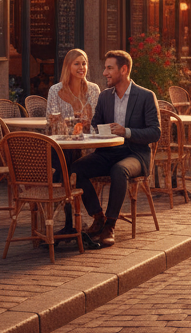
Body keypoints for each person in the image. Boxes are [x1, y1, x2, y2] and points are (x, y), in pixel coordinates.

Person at [68, 50, 160, 248]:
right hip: (107, 152)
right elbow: (96, 124)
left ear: (124, 70)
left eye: (109, 68)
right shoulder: (104, 97)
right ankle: (98, 217)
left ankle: (110, 225)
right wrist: (89, 128)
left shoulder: (145, 96)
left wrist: (125, 131)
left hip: (135, 154)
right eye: (105, 68)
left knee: (119, 170)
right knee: (76, 169)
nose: (104, 73)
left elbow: (155, 132)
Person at [46, 48, 101, 234]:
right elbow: (51, 121)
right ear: (68, 66)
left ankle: (68, 219)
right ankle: (80, 218)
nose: (81, 67)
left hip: (88, 146)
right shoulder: (55, 90)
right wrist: (63, 123)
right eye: (77, 63)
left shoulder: (93, 90)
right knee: (66, 162)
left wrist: (86, 124)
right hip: (64, 144)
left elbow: (96, 121)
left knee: (68, 167)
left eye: (84, 63)